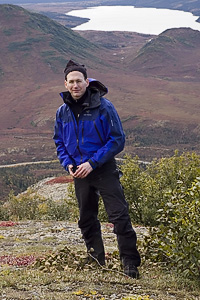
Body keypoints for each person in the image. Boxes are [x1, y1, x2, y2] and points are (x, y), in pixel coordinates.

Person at [53, 60, 141, 278]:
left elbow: (117, 140)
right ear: (65, 83)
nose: (75, 85)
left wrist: (92, 163)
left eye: (79, 81)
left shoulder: (104, 106)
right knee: (86, 218)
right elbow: (59, 142)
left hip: (102, 168)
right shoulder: (62, 112)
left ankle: (130, 264)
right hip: (79, 172)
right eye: (71, 81)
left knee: (119, 216)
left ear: (86, 81)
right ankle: (96, 259)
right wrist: (68, 163)